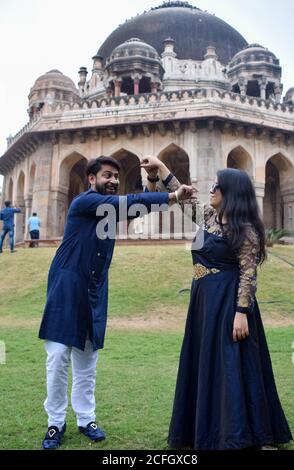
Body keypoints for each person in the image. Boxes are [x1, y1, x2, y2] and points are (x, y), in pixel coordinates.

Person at [38, 155, 194, 450]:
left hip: (94, 290)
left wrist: (150, 179)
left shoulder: (109, 209)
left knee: (87, 360)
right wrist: (173, 195)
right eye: (107, 175)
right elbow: (123, 205)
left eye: (116, 177)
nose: (112, 181)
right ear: (91, 179)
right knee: (58, 357)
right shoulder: (85, 203)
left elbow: (135, 208)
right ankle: (55, 423)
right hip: (67, 288)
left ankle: (86, 419)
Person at [141, 156, 292, 450]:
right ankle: (206, 429)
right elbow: (182, 196)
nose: (210, 190)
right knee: (207, 364)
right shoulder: (209, 218)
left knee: (234, 366)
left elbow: (248, 274)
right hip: (204, 301)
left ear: (231, 193)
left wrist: (241, 313)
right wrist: (159, 167)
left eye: (216, 186)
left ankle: (248, 434)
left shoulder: (244, 229)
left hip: (228, 303)